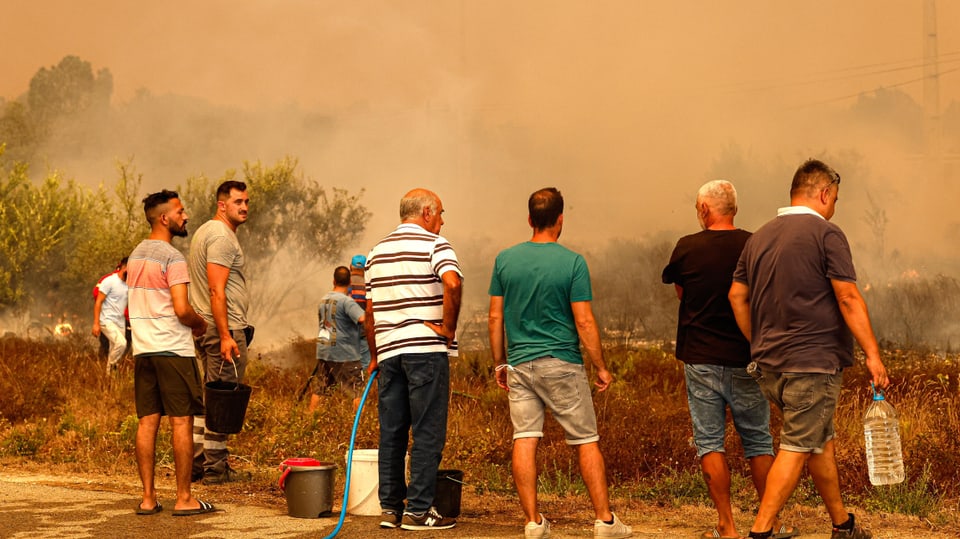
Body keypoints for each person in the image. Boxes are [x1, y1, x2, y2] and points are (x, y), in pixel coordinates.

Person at [728, 159, 891, 539]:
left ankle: (842, 525)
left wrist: (758, 341)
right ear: (824, 193)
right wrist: (873, 354)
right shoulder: (826, 234)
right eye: (835, 198)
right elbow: (848, 296)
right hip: (812, 364)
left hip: (770, 365)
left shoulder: (760, 236)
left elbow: (737, 295)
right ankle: (761, 531)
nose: (834, 206)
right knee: (798, 445)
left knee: (819, 441)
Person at [489, 187, 632, 539]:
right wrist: (600, 366)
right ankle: (605, 522)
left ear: (529, 220)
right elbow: (584, 321)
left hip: (520, 365)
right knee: (586, 440)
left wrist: (499, 364)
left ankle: (534, 523)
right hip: (562, 363)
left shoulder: (504, 260)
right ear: (560, 219)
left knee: (524, 438)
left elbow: (494, 318)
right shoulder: (572, 262)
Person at [662, 180, 794, 539]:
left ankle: (727, 525)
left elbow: (681, 293)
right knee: (758, 441)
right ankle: (770, 523)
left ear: (705, 210)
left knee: (710, 442)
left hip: (700, 358)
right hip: (747, 359)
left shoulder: (687, 247)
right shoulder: (755, 244)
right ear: (734, 208)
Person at [364, 188, 463, 531]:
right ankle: (419, 512)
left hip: (389, 352)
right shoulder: (436, 245)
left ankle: (390, 509)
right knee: (427, 431)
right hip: (425, 350)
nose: (442, 220)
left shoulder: (376, 252)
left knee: (391, 432)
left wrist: (375, 356)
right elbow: (452, 283)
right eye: (440, 213)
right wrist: (447, 329)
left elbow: (369, 312)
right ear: (426, 213)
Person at [126, 189, 215, 516]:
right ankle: (184, 498)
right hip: (174, 350)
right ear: (164, 218)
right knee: (181, 421)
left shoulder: (136, 255)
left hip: (144, 350)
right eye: (180, 211)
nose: (186, 215)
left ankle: (148, 499)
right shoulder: (173, 258)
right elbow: (181, 309)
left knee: (147, 422)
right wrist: (199, 323)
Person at [187, 180, 252, 485]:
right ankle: (215, 468)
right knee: (223, 398)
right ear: (221, 205)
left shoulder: (205, 231)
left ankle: (200, 463)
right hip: (221, 328)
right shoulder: (221, 237)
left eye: (246, 202)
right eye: (238, 202)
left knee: (209, 396)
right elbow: (216, 289)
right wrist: (226, 335)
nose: (244, 207)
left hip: (206, 327)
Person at [309, 265, 366, 412]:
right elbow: (362, 318)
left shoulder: (323, 300)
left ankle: (309, 421)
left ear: (333, 281)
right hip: (345, 353)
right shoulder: (347, 302)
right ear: (349, 283)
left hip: (324, 351)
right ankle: (360, 426)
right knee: (357, 391)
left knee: (321, 389)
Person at [93, 257, 129, 374]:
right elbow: (98, 301)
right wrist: (96, 323)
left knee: (115, 349)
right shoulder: (109, 281)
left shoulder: (129, 284)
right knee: (121, 343)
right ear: (124, 267)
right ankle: (111, 367)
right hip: (107, 321)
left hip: (120, 321)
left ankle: (110, 378)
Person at [347, 254, 371, 370]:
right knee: (366, 363)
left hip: (346, 330)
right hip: (363, 329)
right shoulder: (368, 284)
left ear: (350, 267)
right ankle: (366, 385)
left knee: (349, 365)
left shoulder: (344, 284)